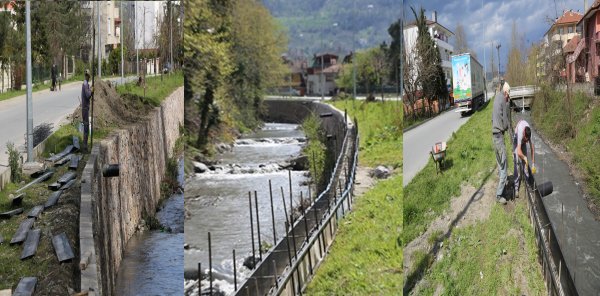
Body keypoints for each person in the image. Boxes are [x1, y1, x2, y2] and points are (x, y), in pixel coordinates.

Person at [492, 81, 511, 204]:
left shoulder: (496, 97)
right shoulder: (504, 99)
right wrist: (508, 104)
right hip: (499, 137)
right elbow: (505, 124)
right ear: (506, 92)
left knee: (500, 164)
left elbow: (493, 118)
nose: (508, 96)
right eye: (508, 94)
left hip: (493, 137)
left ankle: (502, 187)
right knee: (504, 167)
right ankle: (499, 195)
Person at [513, 119, 535, 198]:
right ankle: (516, 187)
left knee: (526, 164)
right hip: (517, 140)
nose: (526, 142)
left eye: (527, 140)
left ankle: (528, 184)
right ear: (523, 134)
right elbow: (519, 152)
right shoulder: (520, 131)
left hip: (522, 139)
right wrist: (524, 157)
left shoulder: (529, 134)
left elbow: (532, 149)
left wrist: (533, 164)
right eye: (526, 140)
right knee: (517, 163)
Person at [81, 70, 93, 153]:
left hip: (86, 108)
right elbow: (88, 95)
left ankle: (85, 146)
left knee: (86, 128)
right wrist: (91, 91)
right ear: (87, 76)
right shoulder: (85, 84)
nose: (89, 78)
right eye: (88, 76)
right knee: (86, 128)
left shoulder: (86, 84)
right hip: (85, 108)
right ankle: (85, 147)